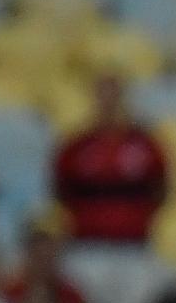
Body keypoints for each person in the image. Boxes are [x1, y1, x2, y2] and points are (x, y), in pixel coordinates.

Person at [52, 76, 169, 245]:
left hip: (133, 244)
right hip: (87, 244)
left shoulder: (145, 145)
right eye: (103, 96)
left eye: (114, 96)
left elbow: (161, 187)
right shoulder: (77, 146)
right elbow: (61, 190)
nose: (109, 103)